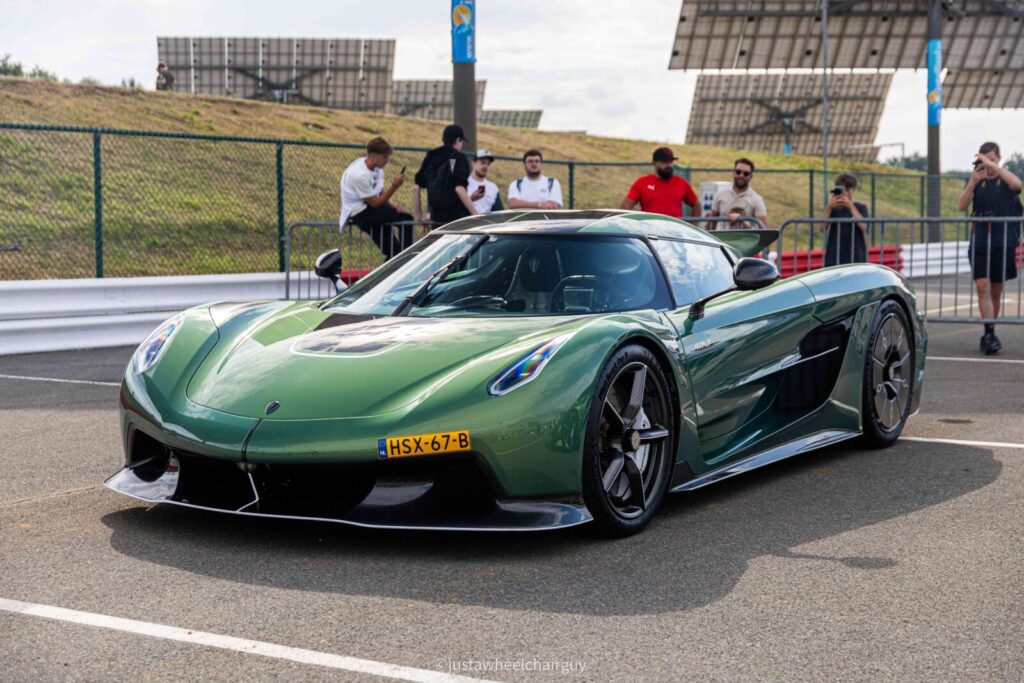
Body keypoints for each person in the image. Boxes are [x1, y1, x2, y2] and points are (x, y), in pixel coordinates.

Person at [957, 141, 1023, 355]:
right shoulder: (977, 179)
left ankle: (990, 332)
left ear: (998, 159)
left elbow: (1017, 185)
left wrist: (995, 168)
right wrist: (972, 181)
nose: (987, 165)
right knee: (982, 287)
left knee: (995, 290)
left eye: (991, 160)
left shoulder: (1005, 180)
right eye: (984, 160)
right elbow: (961, 205)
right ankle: (988, 333)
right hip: (980, 240)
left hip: (1002, 241)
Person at [339, 137, 414, 259]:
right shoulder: (358, 175)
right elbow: (375, 202)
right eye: (384, 157)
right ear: (373, 156)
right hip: (361, 213)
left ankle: (403, 259)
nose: (387, 161)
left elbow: (379, 191)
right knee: (406, 220)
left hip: (371, 209)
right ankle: (407, 258)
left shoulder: (377, 169)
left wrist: (393, 206)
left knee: (394, 253)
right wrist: (394, 186)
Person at [413, 124, 477, 225]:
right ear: (458, 140)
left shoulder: (431, 156)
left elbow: (416, 187)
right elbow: (459, 188)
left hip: (436, 217)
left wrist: (419, 217)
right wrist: (476, 215)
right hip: (456, 219)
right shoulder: (459, 157)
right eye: (461, 141)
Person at [619, 147, 698, 218]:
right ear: (654, 163)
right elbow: (626, 206)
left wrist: (694, 225)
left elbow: (696, 204)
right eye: (664, 161)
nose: (668, 165)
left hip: (675, 229)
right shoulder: (642, 182)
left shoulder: (681, 183)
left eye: (670, 161)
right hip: (651, 228)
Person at [823, 173, 870, 267]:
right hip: (834, 256)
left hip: (855, 256)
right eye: (841, 190)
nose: (844, 193)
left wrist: (850, 206)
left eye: (847, 190)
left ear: (854, 190)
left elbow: (865, 227)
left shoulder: (860, 207)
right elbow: (822, 227)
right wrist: (829, 207)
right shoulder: (833, 209)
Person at [709, 158, 768, 228]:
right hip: (722, 235)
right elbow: (711, 224)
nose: (741, 176)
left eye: (746, 174)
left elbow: (762, 228)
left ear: (751, 176)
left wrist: (742, 221)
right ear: (733, 173)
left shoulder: (756, 199)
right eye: (738, 172)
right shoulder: (720, 194)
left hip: (745, 235)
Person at [467, 149, 504, 214]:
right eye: (483, 162)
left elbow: (499, 213)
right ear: (473, 163)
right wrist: (471, 199)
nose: (486, 166)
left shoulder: (493, 187)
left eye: (488, 164)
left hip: (487, 220)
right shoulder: (463, 183)